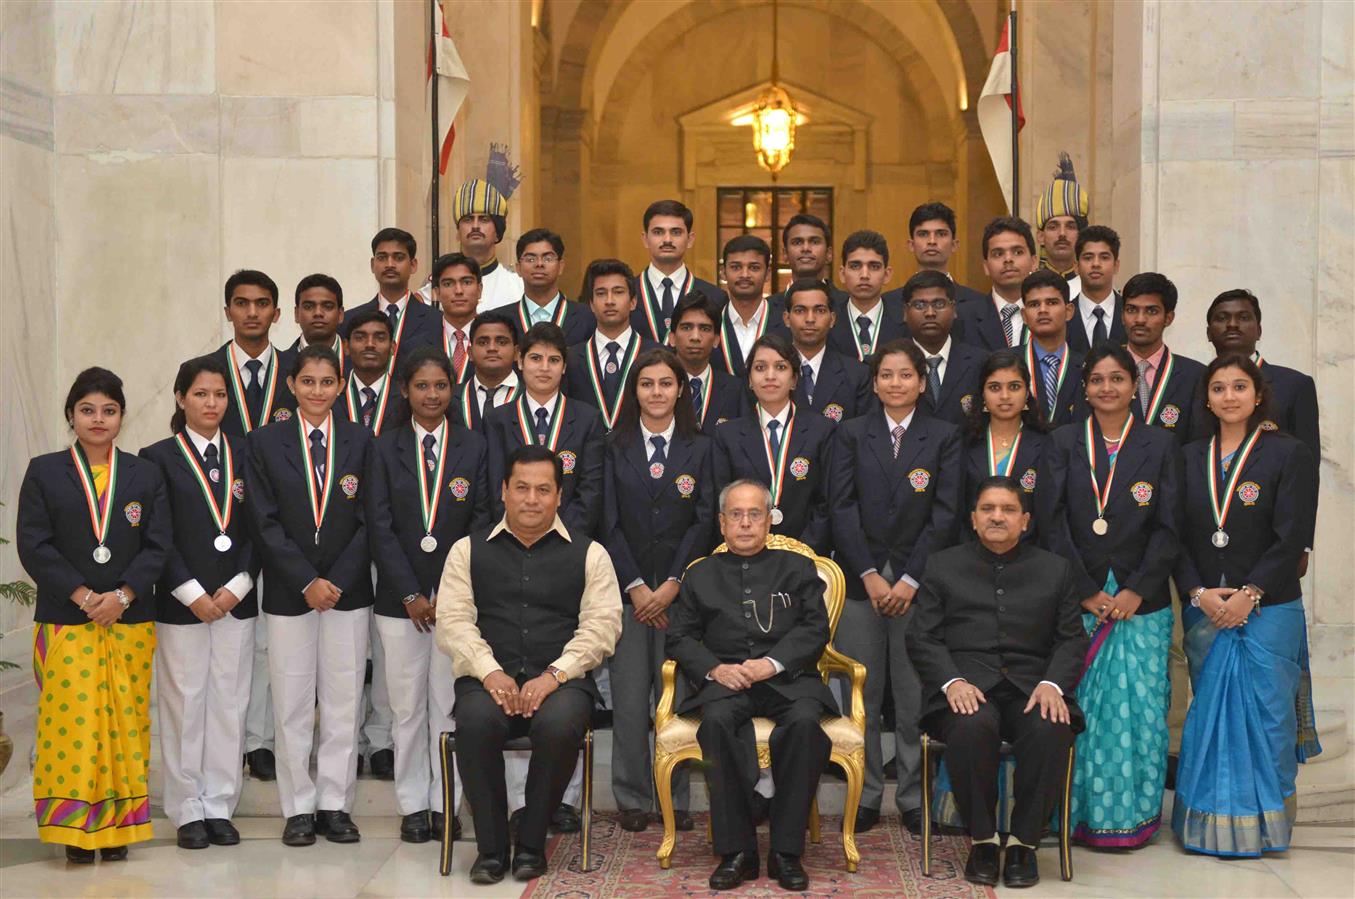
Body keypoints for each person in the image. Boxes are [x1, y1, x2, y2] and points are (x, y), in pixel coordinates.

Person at [436, 444, 622, 884]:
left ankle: (533, 844)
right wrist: (490, 671)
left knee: (558, 726)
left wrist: (554, 675)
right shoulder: (466, 550)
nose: (531, 499)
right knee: (476, 722)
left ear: (560, 495)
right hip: (488, 677)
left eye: (543, 489)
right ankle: (492, 848)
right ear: (504, 491)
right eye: (521, 488)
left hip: (562, 680)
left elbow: (603, 626)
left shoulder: (590, 554)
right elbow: (453, 622)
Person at [17, 367, 170, 862]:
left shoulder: (144, 474)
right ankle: (74, 833)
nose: (98, 419)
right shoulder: (44, 470)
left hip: (129, 618)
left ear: (122, 417)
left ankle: (120, 828)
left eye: (108, 410)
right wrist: (84, 597)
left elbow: (159, 544)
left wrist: (121, 596)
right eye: (87, 410)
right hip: (67, 619)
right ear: (71, 415)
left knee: (126, 723)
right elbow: (34, 545)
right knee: (72, 727)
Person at [1172, 354, 1320, 857]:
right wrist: (1198, 592)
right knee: (1208, 714)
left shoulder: (1288, 453)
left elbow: (1292, 535)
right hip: (1206, 606)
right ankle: (1205, 826)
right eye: (1218, 388)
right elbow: (1176, 534)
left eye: (1239, 387)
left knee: (1269, 717)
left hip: (1270, 606)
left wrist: (1250, 593)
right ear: (1206, 399)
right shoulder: (1188, 456)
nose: (1229, 396)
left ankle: (1266, 827)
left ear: (1258, 396)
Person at [907, 476, 1088, 889]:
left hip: (1032, 686)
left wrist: (1052, 685)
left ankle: (1024, 843)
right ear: (973, 519)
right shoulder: (943, 565)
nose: (997, 517)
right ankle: (984, 840)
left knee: (1050, 728)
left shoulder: (1054, 569)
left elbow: (1071, 639)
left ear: (1025, 520)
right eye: (988, 509)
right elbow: (921, 636)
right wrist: (951, 682)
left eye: (1008, 510)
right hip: (966, 686)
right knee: (971, 726)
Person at [1036, 343, 1182, 850]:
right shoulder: (1061, 443)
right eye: (1097, 379)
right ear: (1085, 387)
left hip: (1144, 605)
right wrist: (1086, 591)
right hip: (1080, 599)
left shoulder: (1160, 445)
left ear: (1133, 385)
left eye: (1117, 378)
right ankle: (1075, 815)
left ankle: (1133, 818)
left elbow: (1170, 527)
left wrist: (1138, 589)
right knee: (1081, 712)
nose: (1107, 388)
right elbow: (1050, 522)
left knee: (1139, 710)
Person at [666, 480, 835, 892]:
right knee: (718, 725)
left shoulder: (797, 568)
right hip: (726, 684)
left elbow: (815, 628)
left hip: (790, 682)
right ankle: (737, 852)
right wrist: (715, 670)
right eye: (736, 516)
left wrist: (770, 664)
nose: (745, 524)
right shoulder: (699, 573)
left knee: (805, 727)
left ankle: (786, 852)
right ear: (722, 524)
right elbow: (679, 638)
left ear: (769, 520)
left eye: (754, 514)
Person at [828, 339, 962, 836]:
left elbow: (946, 515)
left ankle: (910, 796)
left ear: (922, 383)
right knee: (862, 693)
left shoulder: (944, 436)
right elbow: (840, 507)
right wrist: (866, 572)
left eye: (906, 375)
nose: (896, 383)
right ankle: (864, 796)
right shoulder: (850, 434)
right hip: (861, 585)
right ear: (875, 381)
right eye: (886, 375)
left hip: (916, 588)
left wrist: (908, 578)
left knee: (910, 699)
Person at [245, 345, 374, 847]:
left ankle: (335, 805)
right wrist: (305, 579)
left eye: (327, 382)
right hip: (288, 591)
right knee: (293, 703)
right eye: (308, 382)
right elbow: (263, 520)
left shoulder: (363, 441)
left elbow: (369, 517)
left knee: (343, 702)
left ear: (340, 387)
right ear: (292, 386)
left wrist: (336, 578)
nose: (317, 390)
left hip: (348, 590)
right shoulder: (264, 442)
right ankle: (298, 807)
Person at [366, 346, 492, 844]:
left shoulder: (473, 446)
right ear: (405, 391)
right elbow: (379, 524)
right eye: (422, 386)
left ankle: (447, 805)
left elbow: (482, 520)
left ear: (452, 390)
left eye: (441, 386)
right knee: (406, 708)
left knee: (449, 706)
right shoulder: (383, 447)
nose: (432, 394)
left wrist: (448, 592)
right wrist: (412, 593)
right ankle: (413, 805)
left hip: (456, 603)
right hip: (400, 603)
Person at [141, 356, 259, 851]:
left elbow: (261, 528)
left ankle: (219, 804)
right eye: (201, 394)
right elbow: (155, 535)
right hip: (181, 603)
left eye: (219, 395)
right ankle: (188, 807)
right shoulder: (156, 457)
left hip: (235, 598)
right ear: (180, 398)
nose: (211, 403)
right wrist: (190, 592)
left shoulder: (247, 452)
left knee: (229, 703)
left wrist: (238, 586)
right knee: (185, 702)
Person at [602, 349, 716, 833]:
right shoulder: (613, 445)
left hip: (680, 599)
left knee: (677, 699)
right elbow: (606, 520)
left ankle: (677, 796)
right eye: (646, 384)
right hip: (628, 597)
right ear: (635, 392)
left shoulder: (703, 447)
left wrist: (672, 584)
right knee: (629, 700)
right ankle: (631, 796)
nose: (656, 392)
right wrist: (635, 587)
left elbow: (706, 520)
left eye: (665, 384)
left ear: (680, 390)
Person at [1202, 288, 1320, 568]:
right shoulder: (1198, 384)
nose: (1232, 324)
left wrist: (1303, 543)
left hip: (1274, 539)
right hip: (1206, 539)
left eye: (1243, 317)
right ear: (1208, 332)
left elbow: (1309, 471)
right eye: (1222, 318)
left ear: (1259, 329)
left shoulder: (1294, 385)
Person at [714, 334, 835, 554]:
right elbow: (722, 503)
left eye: (780, 367)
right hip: (744, 554)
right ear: (749, 380)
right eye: (760, 368)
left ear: (794, 379)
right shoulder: (727, 435)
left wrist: (802, 551)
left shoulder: (823, 430)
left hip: (807, 555)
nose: (770, 376)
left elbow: (827, 502)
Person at [487, 323, 605, 536]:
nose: (544, 368)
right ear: (520, 361)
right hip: (512, 542)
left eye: (553, 360)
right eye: (535, 358)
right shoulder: (498, 420)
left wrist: (558, 537)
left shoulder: (588, 419)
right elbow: (497, 489)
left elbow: (590, 492)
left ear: (565, 366)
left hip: (570, 542)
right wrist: (520, 533)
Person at [961, 350, 1048, 539]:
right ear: (982, 394)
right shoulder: (963, 444)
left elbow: (1049, 513)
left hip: (1030, 554)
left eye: (1014, 387)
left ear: (1027, 393)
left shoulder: (1048, 445)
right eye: (994, 388)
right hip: (972, 553)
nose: (1005, 396)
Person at [565, 258, 657, 430]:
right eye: (601, 293)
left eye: (618, 292)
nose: (609, 300)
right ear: (591, 304)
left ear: (633, 302)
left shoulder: (656, 355)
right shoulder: (572, 358)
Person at [210, 269, 297, 437]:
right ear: (228, 312)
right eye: (242, 303)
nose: (252, 313)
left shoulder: (299, 370)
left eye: (262, 303)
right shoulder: (200, 372)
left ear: (276, 314)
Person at [1121, 271, 1205, 443]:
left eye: (1151, 311)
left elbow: (1199, 444)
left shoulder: (1196, 376)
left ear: (1169, 318)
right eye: (1131, 310)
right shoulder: (1101, 372)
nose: (1140, 319)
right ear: (1122, 315)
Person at [631, 199, 724, 344]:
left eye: (676, 232)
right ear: (645, 239)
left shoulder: (715, 297)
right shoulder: (627, 294)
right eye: (658, 232)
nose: (667, 239)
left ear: (690, 239)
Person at [342, 228, 442, 360]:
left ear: (413, 265)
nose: (390, 265)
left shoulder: (436, 321)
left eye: (398, 258)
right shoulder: (349, 320)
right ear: (373, 265)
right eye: (382, 257)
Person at [902, 270, 986, 427]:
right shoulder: (886, 365)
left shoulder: (982, 363)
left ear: (954, 309)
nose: (930, 313)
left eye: (939, 304)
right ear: (905, 312)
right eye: (919, 305)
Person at [784, 279, 873, 424]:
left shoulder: (857, 375)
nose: (810, 319)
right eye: (800, 311)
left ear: (832, 319)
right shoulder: (770, 373)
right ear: (787, 319)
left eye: (819, 310)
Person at [668, 292, 748, 435]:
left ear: (717, 339)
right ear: (672, 338)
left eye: (704, 329)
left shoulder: (735, 390)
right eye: (686, 327)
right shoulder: (658, 387)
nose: (695, 337)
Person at [956, 218, 1038, 351]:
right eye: (998, 254)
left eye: (1017, 252)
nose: (1008, 259)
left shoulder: (1052, 313)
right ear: (986, 267)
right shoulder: (963, 318)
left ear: (1034, 262)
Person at [827, 230, 908, 362]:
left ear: (887, 275)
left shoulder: (905, 322)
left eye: (874, 266)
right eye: (855, 266)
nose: (864, 275)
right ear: (842, 274)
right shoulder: (827, 322)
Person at [886, 201, 988, 305]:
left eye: (941, 234)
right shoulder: (889, 304)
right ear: (911, 245)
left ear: (954, 245)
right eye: (923, 234)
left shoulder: (978, 303)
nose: (932, 241)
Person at [1019, 269, 1086, 427]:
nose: (1042, 310)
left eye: (1051, 302)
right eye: (1034, 304)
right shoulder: (1008, 364)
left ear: (1069, 311)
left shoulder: (1087, 367)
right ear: (1024, 316)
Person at [712, 235, 782, 378]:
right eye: (736, 267)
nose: (745, 274)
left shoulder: (785, 324)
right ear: (723, 272)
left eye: (754, 268)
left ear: (767, 273)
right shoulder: (709, 322)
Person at [511, 228, 596, 344]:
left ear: (561, 266)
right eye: (530, 259)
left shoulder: (588, 317)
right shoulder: (502, 319)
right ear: (518, 268)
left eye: (547, 258)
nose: (539, 264)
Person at [453, 178, 525, 311]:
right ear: (458, 232)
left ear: (498, 233)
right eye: (468, 219)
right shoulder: (435, 287)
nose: (475, 226)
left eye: (484, 219)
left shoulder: (519, 287)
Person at [454, 311, 521, 434]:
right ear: (470, 353)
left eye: (501, 342)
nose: (492, 348)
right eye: (483, 342)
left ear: (516, 353)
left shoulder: (531, 396)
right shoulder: (450, 399)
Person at [1033, 153, 1088, 295]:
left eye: (1070, 226)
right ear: (1040, 236)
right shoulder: (1027, 289)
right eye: (1053, 226)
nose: (1062, 233)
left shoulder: (1094, 289)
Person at [767, 212, 848, 306]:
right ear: (785, 254)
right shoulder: (767, 309)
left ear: (829, 254)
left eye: (815, 242)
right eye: (797, 243)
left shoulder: (848, 305)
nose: (806, 248)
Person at [342, 310, 400, 436]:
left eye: (380, 338)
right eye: (360, 338)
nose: (370, 344)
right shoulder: (331, 397)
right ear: (346, 347)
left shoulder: (406, 398)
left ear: (392, 347)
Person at [1068, 225, 1125, 354]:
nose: (1096, 264)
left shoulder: (1130, 313)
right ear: (1076, 266)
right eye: (1088, 257)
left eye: (1104, 257)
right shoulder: (1063, 316)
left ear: (1116, 265)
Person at [280, 273, 347, 377]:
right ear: (296, 314)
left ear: (340, 314)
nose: (318, 313)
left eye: (328, 306)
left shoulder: (360, 364)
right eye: (308, 306)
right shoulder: (278, 365)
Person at [431, 252, 482, 384]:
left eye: (466, 282)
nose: (458, 291)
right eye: (448, 284)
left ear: (479, 289)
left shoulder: (495, 339)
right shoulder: (418, 342)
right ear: (437, 293)